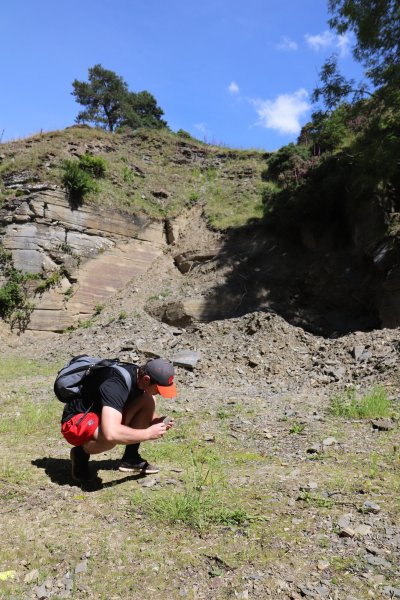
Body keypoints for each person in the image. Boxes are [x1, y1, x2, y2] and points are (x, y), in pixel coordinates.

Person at [60, 357, 177, 483]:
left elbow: (142, 411)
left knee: (149, 399)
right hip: (76, 420)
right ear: (146, 379)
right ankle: (80, 454)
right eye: (159, 389)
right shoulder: (116, 385)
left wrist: (155, 421)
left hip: (101, 414)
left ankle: (130, 458)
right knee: (109, 440)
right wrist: (148, 433)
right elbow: (111, 434)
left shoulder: (139, 378)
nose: (160, 393)